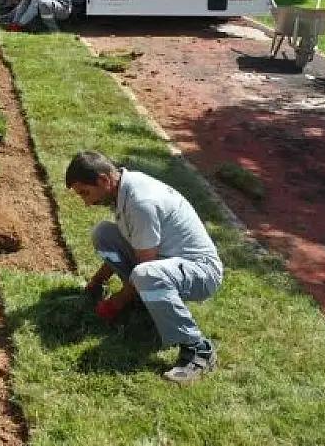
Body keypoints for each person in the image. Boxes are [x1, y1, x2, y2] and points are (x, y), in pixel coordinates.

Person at [65, 150, 224, 385]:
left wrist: (116, 302)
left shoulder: (140, 203)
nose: (87, 203)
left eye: (86, 193)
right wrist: (96, 283)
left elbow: (145, 264)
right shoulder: (123, 190)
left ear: (103, 180)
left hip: (201, 273)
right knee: (103, 234)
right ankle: (148, 300)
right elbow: (133, 245)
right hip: (167, 262)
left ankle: (198, 348)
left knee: (145, 274)